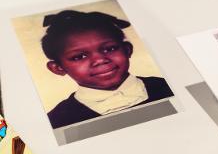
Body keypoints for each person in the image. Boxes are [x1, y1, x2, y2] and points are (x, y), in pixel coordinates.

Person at [42, 10, 174, 129]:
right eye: (79, 56)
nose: (100, 60)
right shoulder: (57, 121)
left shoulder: (169, 86)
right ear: (58, 68)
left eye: (110, 49)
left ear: (127, 49)